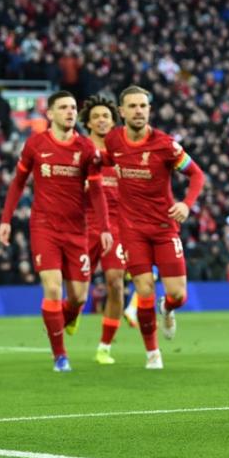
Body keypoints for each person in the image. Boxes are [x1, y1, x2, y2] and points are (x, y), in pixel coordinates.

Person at [0, 90, 112, 372]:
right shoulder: (36, 144)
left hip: (77, 230)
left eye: (73, 107)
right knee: (51, 288)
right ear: (50, 113)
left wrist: (105, 228)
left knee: (79, 298)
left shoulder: (86, 149)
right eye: (63, 107)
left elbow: (97, 190)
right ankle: (60, 355)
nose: (70, 112)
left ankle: (65, 318)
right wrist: (5, 219)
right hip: (44, 226)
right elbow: (18, 182)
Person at [104, 85, 205, 370]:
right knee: (144, 288)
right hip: (131, 230)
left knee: (177, 294)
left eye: (143, 106)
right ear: (121, 111)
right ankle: (152, 353)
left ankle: (167, 309)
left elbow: (197, 175)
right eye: (132, 106)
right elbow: (97, 163)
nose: (138, 111)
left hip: (164, 228)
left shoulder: (166, 145)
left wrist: (186, 204)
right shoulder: (113, 142)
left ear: (149, 110)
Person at [79, 96, 127, 365]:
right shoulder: (80, 151)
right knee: (79, 291)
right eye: (96, 116)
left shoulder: (121, 154)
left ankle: (105, 346)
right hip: (85, 225)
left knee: (116, 283)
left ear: (112, 121)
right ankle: (70, 313)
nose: (101, 120)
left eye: (106, 116)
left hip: (117, 226)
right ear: (87, 122)